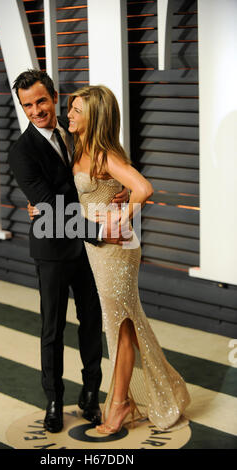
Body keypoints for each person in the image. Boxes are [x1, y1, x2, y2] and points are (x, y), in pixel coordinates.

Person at [8, 70, 129, 434]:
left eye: (41, 101)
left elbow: (99, 169)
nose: (36, 111)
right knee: (52, 328)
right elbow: (45, 206)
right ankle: (54, 399)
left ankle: (91, 395)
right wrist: (97, 230)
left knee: (92, 324)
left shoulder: (76, 130)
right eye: (27, 105)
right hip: (54, 249)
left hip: (90, 253)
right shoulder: (21, 151)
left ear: (55, 97)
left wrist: (118, 188)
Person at [67, 84, 191, 434]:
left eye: (77, 110)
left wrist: (123, 217)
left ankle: (120, 404)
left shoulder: (105, 155)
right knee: (125, 323)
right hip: (97, 248)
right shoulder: (79, 146)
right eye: (71, 108)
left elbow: (144, 188)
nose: (70, 114)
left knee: (119, 325)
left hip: (117, 251)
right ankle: (160, 391)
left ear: (95, 118)